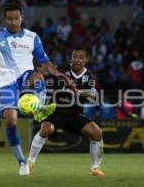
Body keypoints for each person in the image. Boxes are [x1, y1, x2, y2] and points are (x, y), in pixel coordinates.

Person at [0, 2, 73, 176]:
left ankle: (40, 108)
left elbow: (44, 62)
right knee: (10, 121)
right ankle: (22, 162)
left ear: (21, 17)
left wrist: (59, 74)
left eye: (16, 18)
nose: (13, 22)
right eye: (10, 18)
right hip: (7, 84)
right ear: (5, 19)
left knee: (38, 76)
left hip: (26, 77)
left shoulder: (32, 37)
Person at [27, 49, 105, 178]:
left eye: (81, 57)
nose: (77, 60)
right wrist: (36, 68)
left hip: (74, 114)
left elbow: (93, 96)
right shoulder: (61, 71)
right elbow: (42, 68)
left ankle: (95, 168)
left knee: (96, 133)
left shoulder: (89, 77)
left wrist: (78, 92)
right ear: (71, 58)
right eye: (74, 56)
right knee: (46, 129)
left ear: (86, 60)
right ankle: (29, 163)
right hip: (56, 111)